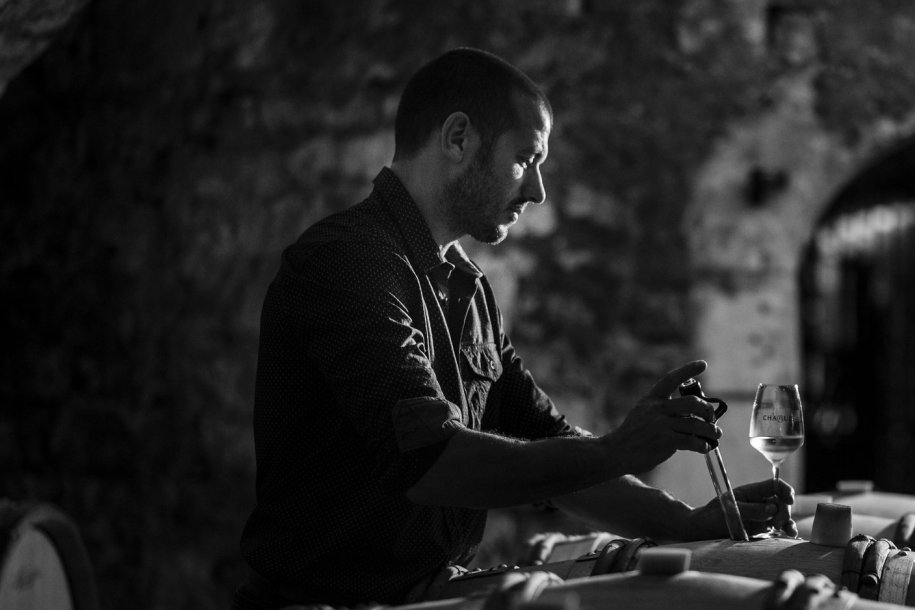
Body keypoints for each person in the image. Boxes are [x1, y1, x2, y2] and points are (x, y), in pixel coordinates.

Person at [232, 47, 795, 609]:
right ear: (458, 139)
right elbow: (434, 463)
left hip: (431, 593)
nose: (538, 191)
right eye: (527, 159)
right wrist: (618, 450)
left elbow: (545, 438)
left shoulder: (468, 288)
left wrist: (687, 521)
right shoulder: (348, 261)